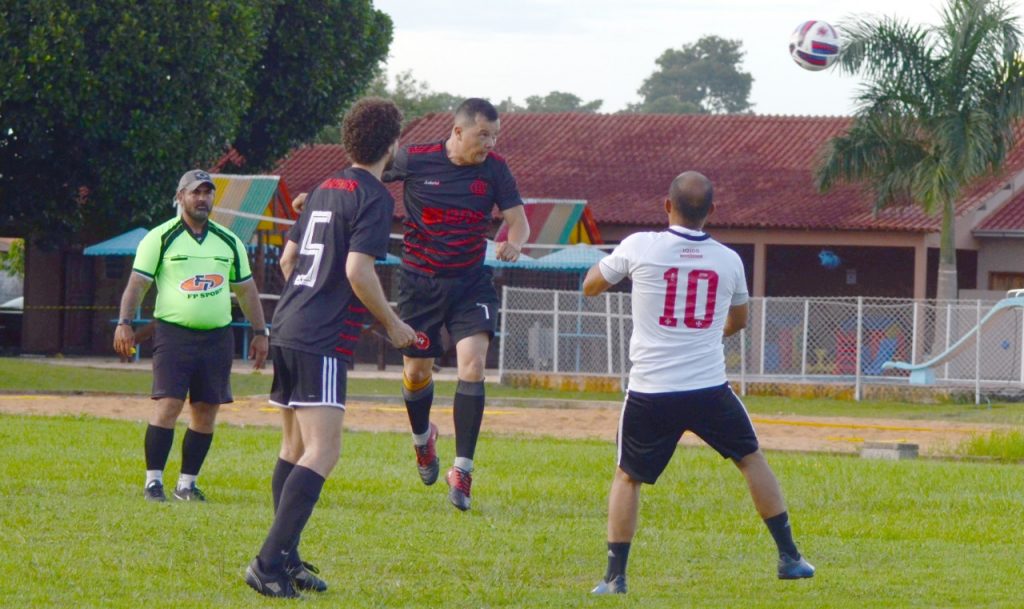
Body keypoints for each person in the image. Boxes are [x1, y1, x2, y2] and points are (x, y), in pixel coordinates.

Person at [581, 171, 814, 594]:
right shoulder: (729, 260)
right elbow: (739, 321)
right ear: (712, 211)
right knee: (751, 459)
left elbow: (591, 286)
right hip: (708, 387)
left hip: (651, 389)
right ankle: (790, 557)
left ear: (666, 206)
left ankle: (615, 578)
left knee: (628, 477)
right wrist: (706, 334)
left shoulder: (640, 245)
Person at [243, 97, 417, 599]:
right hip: (321, 337)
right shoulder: (374, 197)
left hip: (288, 323)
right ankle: (267, 564)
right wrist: (393, 325)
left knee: (293, 448)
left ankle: (287, 558)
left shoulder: (323, 187)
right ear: (392, 144)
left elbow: (288, 260)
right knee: (324, 450)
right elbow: (357, 271)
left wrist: (308, 298)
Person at [383, 97, 529, 511]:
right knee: (416, 372)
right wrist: (319, 197)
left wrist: (514, 243)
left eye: (495, 136)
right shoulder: (415, 159)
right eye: (484, 135)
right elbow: (367, 172)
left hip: (470, 283)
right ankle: (422, 440)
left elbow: (518, 221)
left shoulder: (495, 168)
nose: (490, 143)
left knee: (473, 365)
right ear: (458, 131)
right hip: (419, 283)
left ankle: (463, 470)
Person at [113, 169, 269, 503]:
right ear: (180, 196)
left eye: (207, 192)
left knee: (206, 410)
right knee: (168, 405)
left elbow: (246, 290)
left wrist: (260, 332)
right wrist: (124, 322)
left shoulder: (229, 241)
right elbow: (138, 284)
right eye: (195, 192)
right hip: (174, 335)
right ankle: (153, 482)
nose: (202, 198)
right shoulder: (160, 237)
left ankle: (187, 484)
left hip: (217, 338)